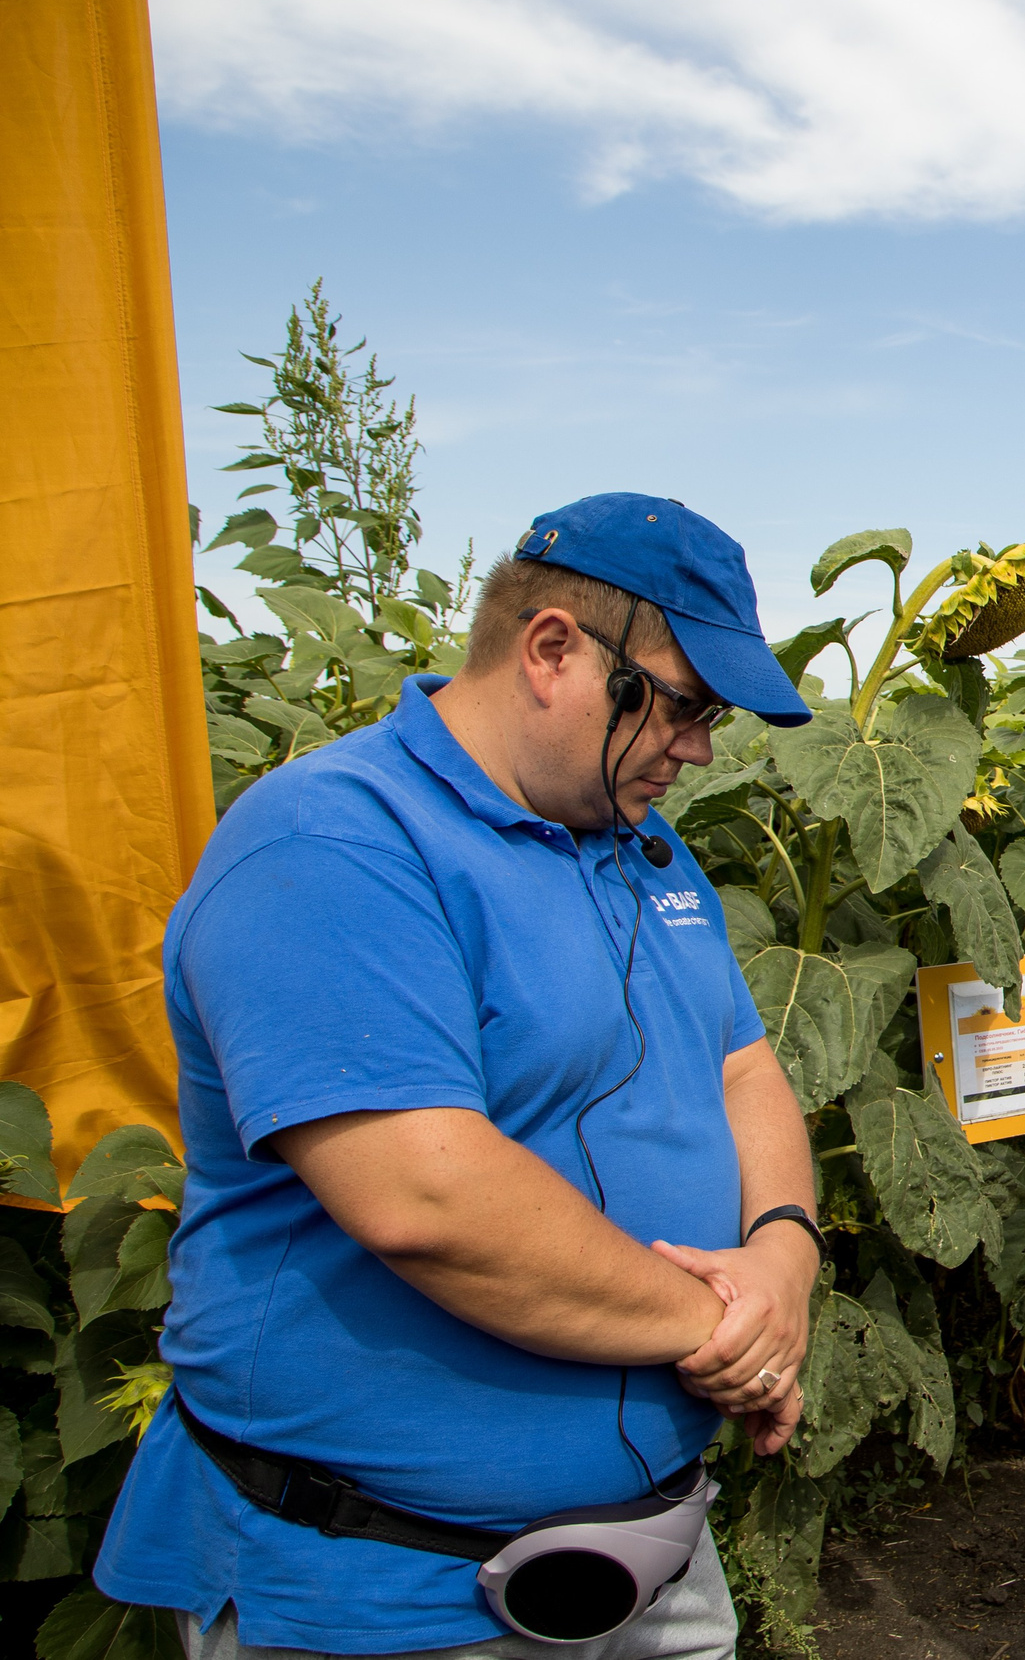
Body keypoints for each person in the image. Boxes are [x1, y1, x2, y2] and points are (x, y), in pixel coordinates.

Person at [95, 494, 827, 1658]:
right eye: (684, 706)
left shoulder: (641, 844)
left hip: (655, 1562)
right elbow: (426, 1200)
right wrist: (721, 1328)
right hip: (387, 1588)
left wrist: (784, 1257)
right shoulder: (335, 843)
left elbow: (739, 1064)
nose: (696, 749)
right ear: (552, 652)